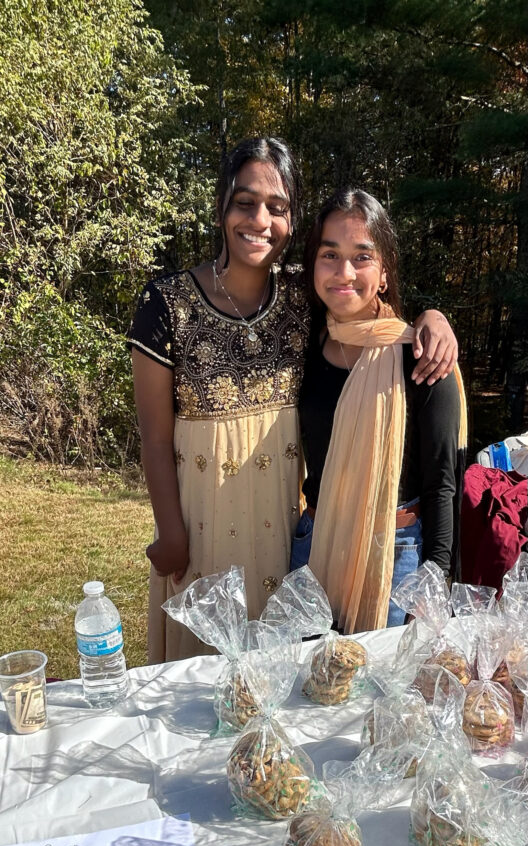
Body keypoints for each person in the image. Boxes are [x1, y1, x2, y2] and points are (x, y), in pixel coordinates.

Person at [128, 139, 460, 662]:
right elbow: (154, 434)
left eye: (277, 208)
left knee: (309, 689)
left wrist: (432, 317)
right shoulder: (178, 304)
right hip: (220, 531)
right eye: (244, 201)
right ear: (221, 207)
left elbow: (369, 318)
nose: (259, 219)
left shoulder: (313, 316)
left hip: (302, 542)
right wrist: (171, 530)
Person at [297, 188, 467, 632]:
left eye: (362, 256)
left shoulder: (422, 355)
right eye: (329, 254)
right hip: (314, 547)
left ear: (385, 271)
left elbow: (442, 486)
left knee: (379, 698)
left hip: (396, 558)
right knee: (310, 691)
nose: (344, 272)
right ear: (313, 264)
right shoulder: (304, 347)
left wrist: (431, 584)